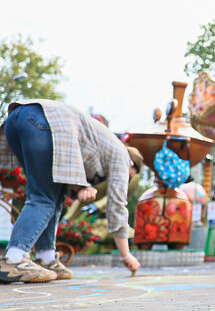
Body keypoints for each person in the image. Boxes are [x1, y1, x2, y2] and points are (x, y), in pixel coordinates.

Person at [0, 100, 142, 283]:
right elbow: (116, 207)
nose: (125, 180)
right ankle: (14, 258)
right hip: (45, 122)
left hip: (17, 119)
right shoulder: (122, 156)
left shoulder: (102, 144)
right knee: (43, 197)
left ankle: (46, 257)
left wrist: (80, 187)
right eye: (129, 177)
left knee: (53, 195)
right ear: (132, 165)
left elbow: (68, 167)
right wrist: (126, 256)